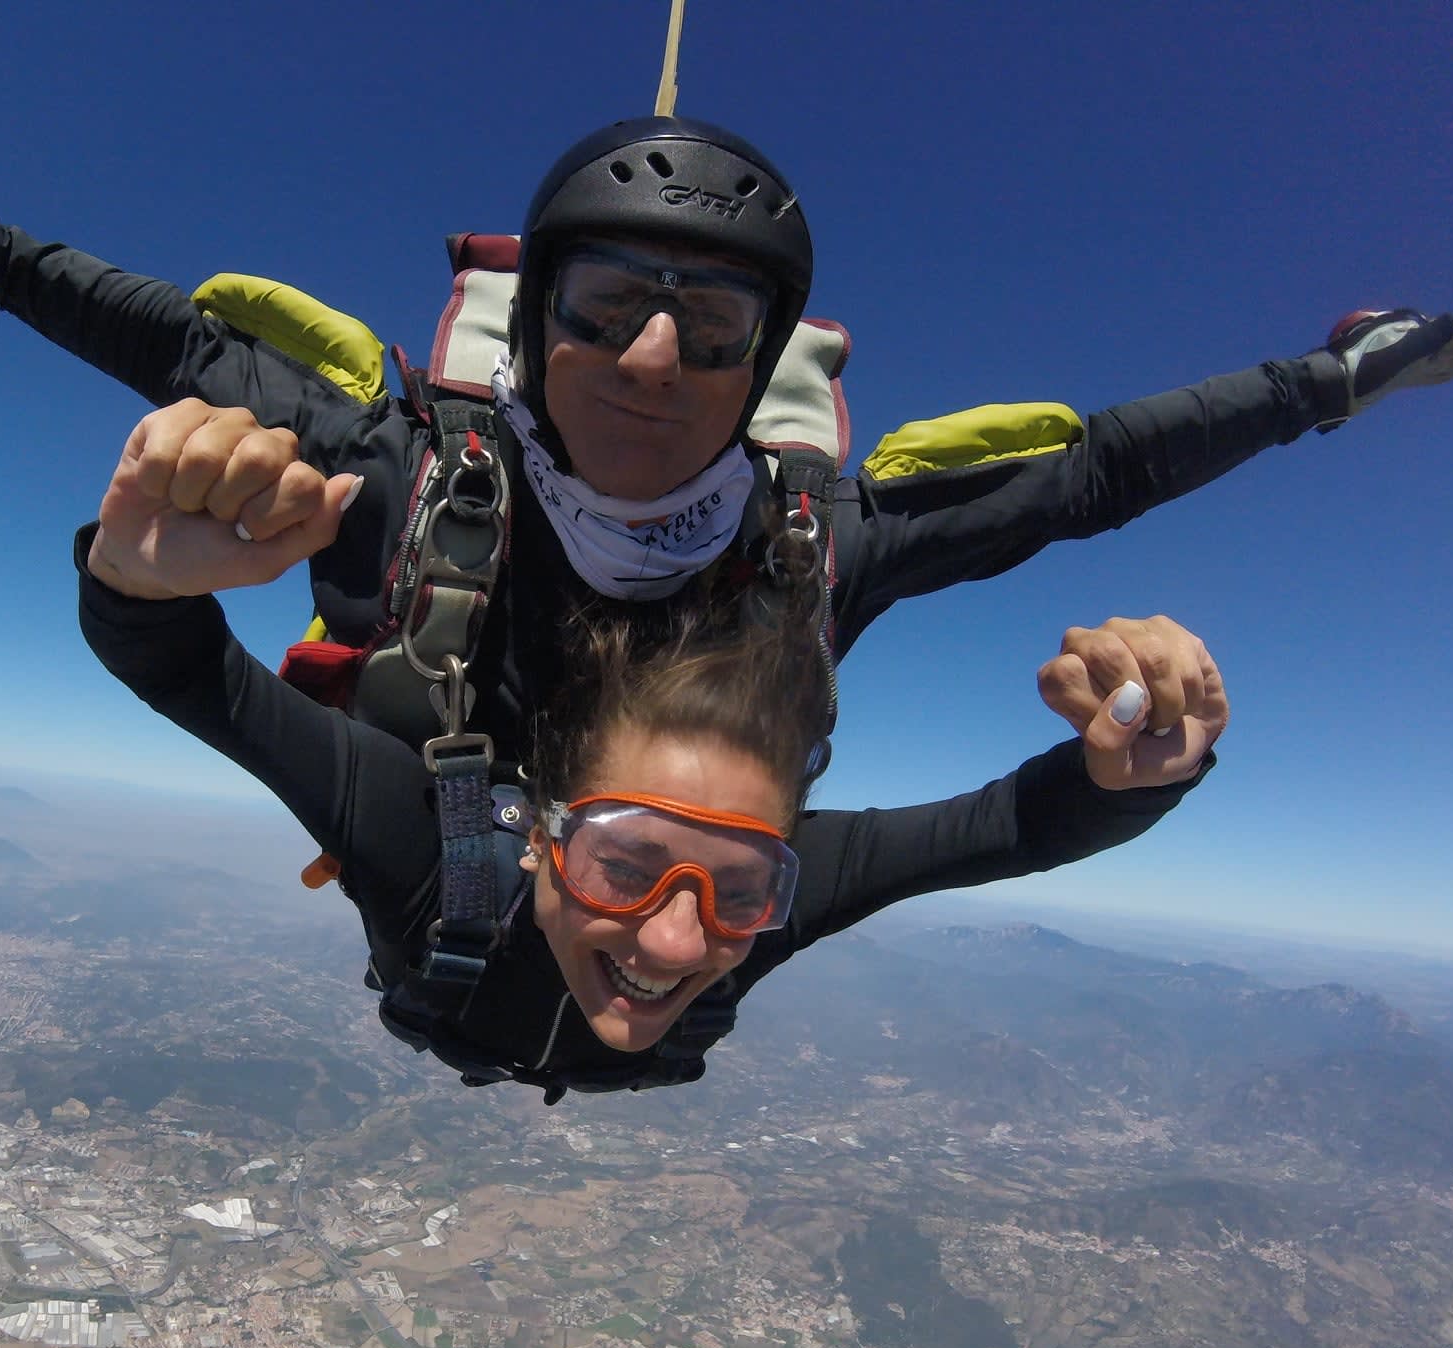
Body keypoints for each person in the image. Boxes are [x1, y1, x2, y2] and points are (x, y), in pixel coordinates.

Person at [0, 112, 1453, 758]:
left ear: (763, 371)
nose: (655, 351)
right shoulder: (399, 471)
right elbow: (158, 332)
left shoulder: (823, 534)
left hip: (668, 878)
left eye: (718, 324)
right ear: (535, 328)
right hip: (467, 834)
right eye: (605, 305)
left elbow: (1100, 470)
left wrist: (1327, 385)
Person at [76, 401, 1228, 1102]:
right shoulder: (431, 844)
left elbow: (1007, 832)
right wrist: (137, 569)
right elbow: (194, 677)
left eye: (740, 886)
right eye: (628, 862)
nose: (680, 937)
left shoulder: (755, 900)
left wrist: (1142, 767)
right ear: (538, 834)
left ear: (784, 864)